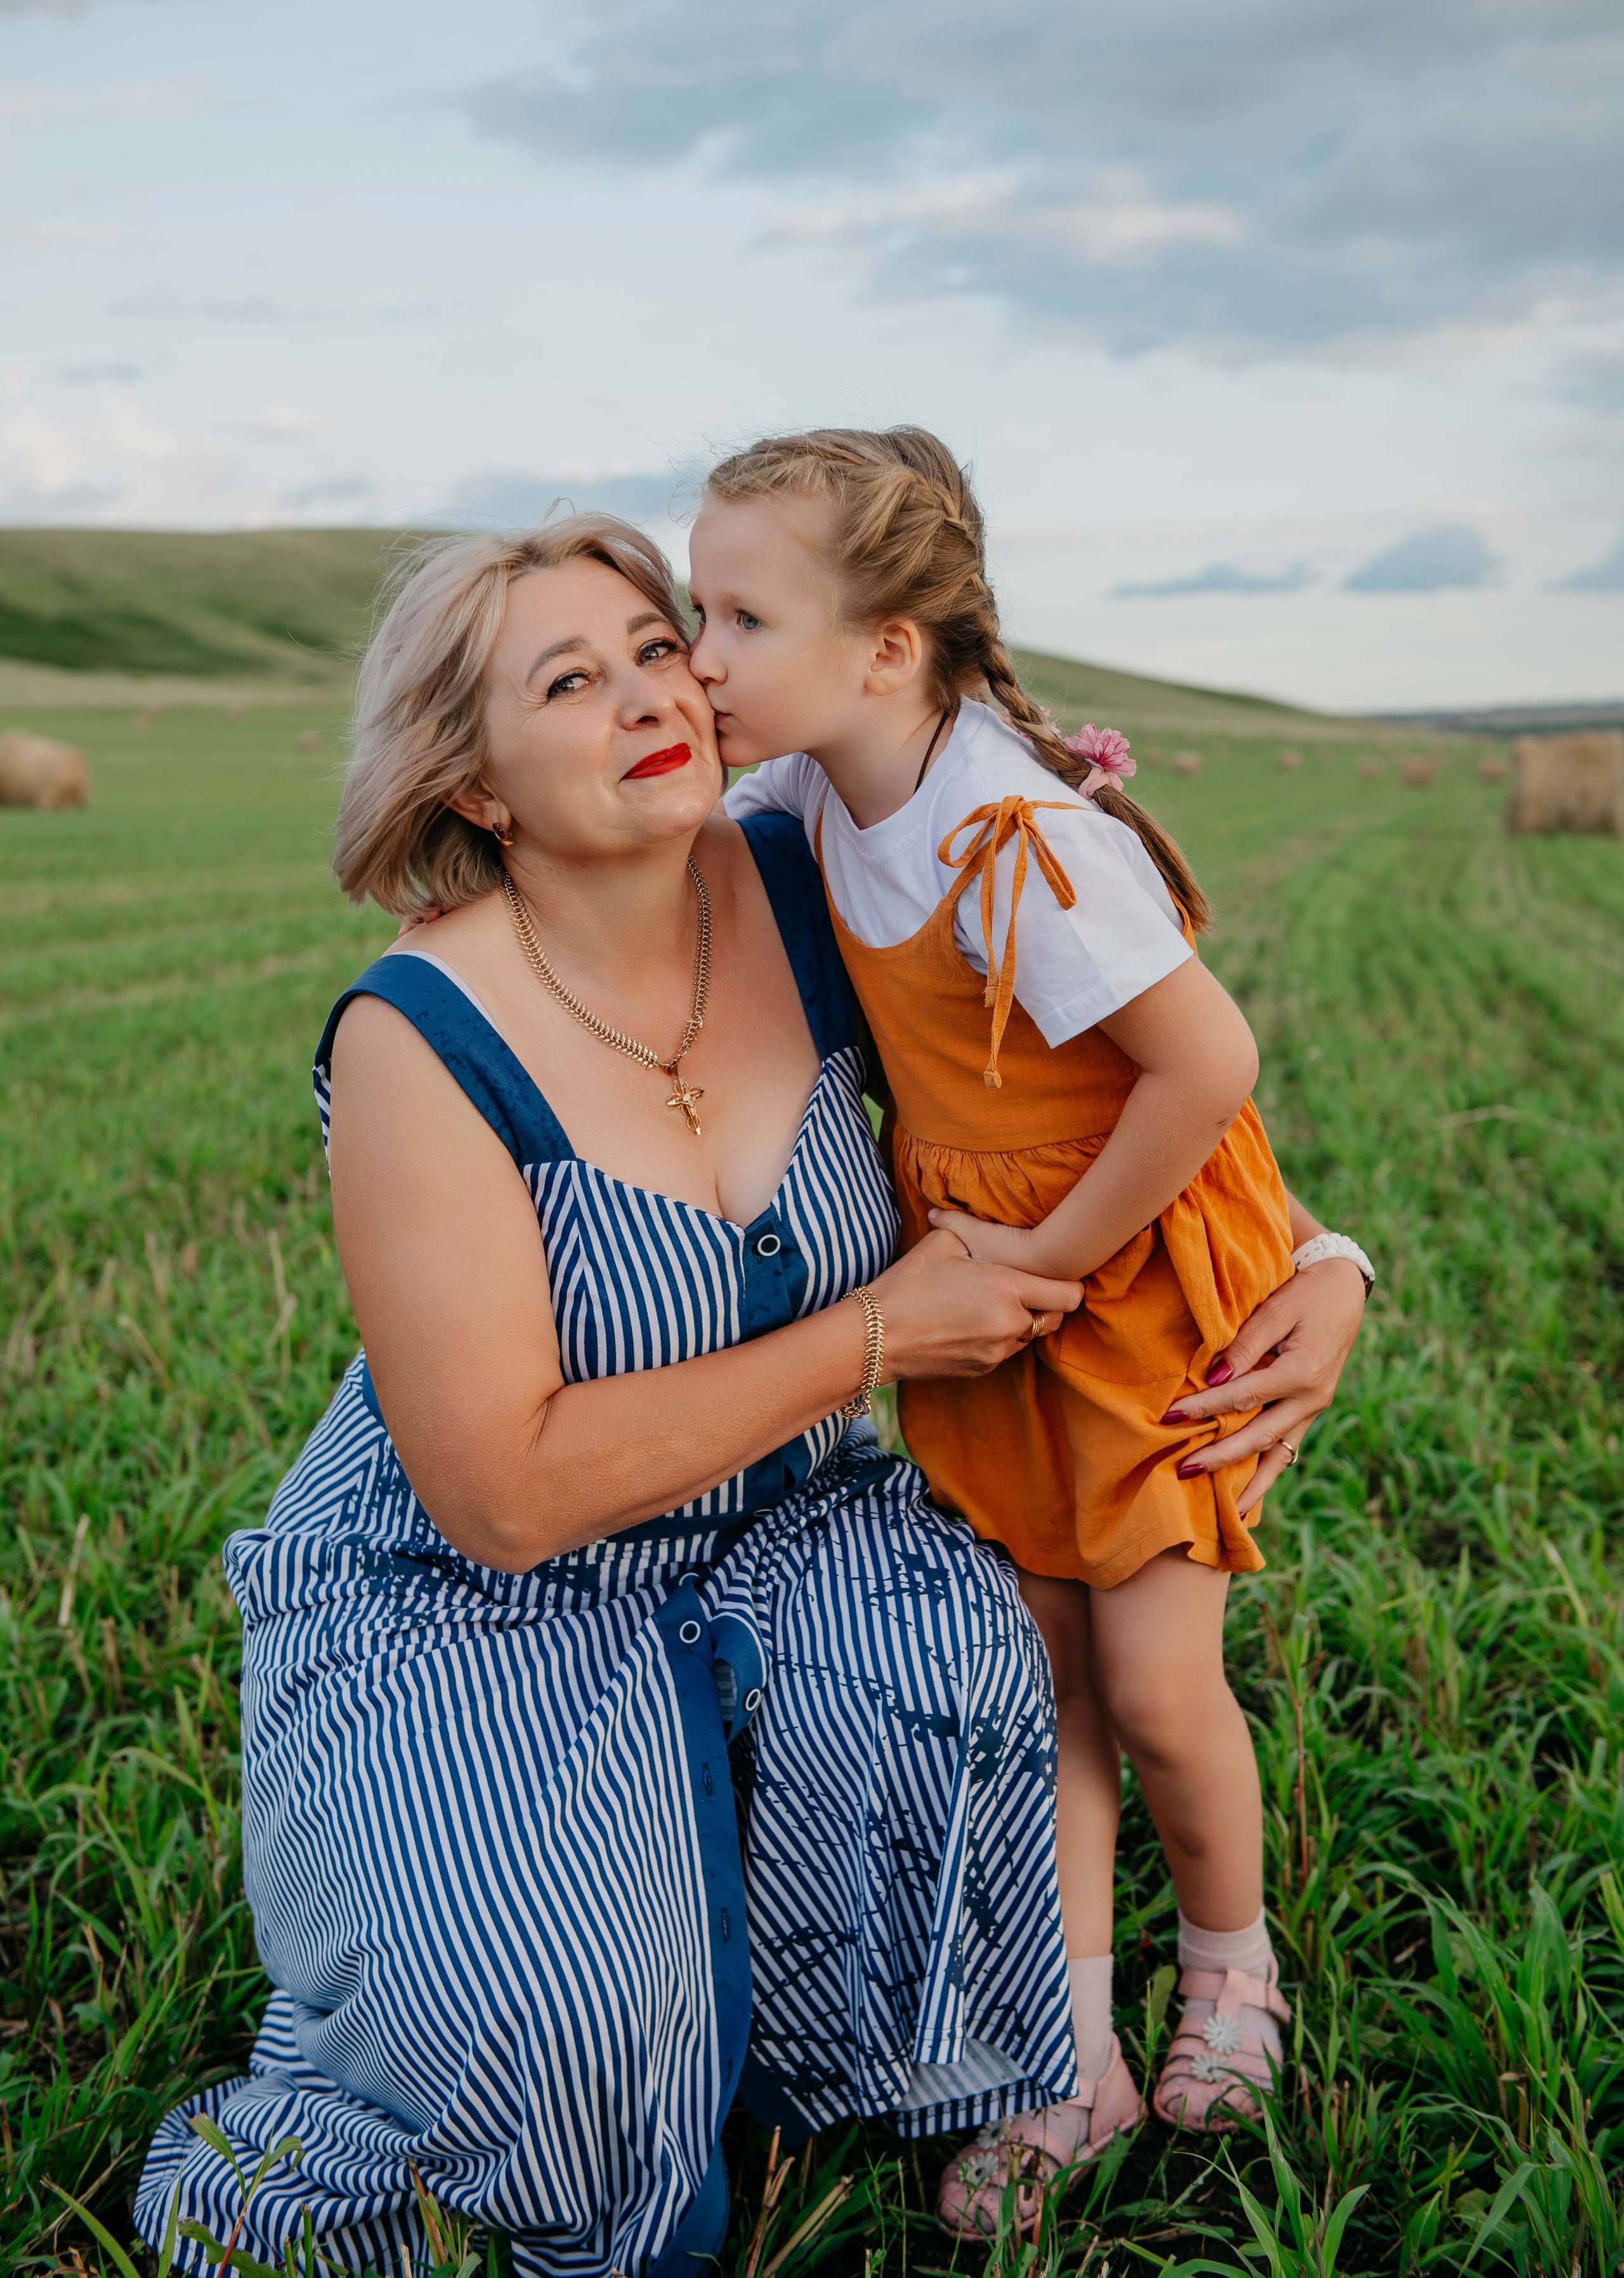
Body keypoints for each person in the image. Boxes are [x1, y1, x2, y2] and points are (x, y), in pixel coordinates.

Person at [133, 515, 1091, 2278]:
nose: (653, 694)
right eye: (570, 681)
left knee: (951, 1658)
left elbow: (1104, 1061)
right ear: (476, 783)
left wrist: (1323, 1259)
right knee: (550, 2057)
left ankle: (783, 2043)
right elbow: (503, 1491)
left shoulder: (816, 881)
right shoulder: (417, 1035)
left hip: (790, 1524)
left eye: (661, 647)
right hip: (477, 1588)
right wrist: (877, 1335)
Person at [687, 428, 1373, 2229]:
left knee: (1154, 1685)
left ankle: (1233, 1963)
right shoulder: (826, 796)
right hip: (997, 1285)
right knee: (1046, 1688)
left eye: (739, 616)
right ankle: (1066, 2051)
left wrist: (1053, 1261)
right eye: (698, 609)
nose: (701, 656)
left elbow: (1205, 1066)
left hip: (1125, 1284)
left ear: (887, 646)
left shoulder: (1020, 837)